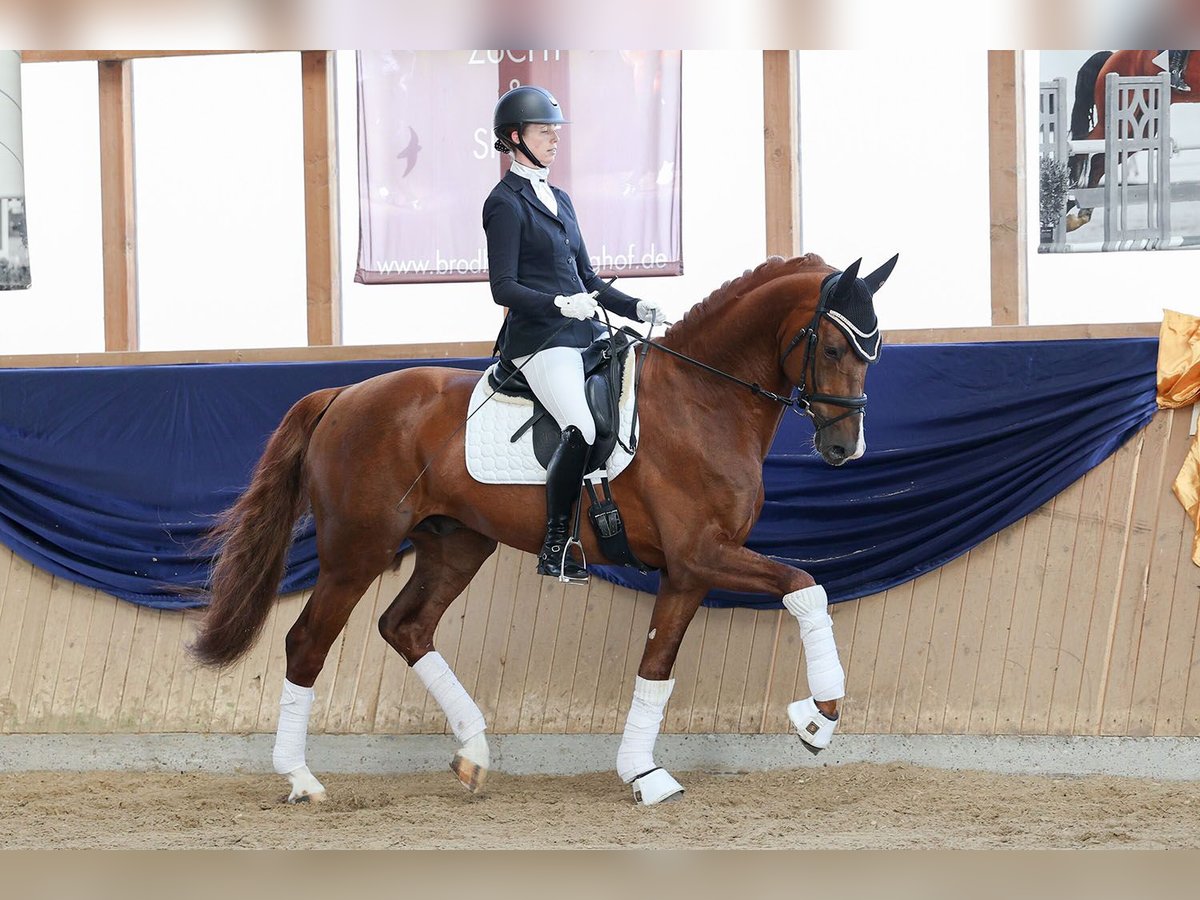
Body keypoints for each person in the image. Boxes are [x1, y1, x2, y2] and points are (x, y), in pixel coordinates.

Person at [483, 84, 666, 582]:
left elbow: (587, 280)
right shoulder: (504, 203)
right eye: (544, 132)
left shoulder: (560, 199)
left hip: (583, 335)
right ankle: (556, 545)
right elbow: (503, 287)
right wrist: (558, 303)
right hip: (539, 342)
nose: (554, 140)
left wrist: (636, 307)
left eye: (555, 132)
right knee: (581, 428)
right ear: (515, 137)